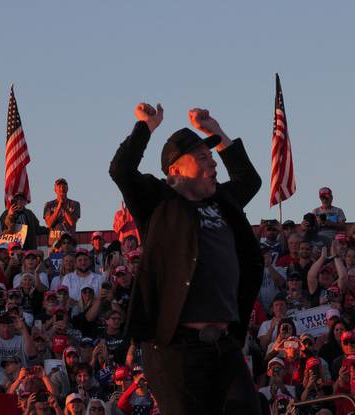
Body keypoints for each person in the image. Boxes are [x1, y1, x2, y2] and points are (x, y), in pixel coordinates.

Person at [110, 102, 262, 414]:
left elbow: (249, 179)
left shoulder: (221, 200)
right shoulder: (159, 202)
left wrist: (215, 132)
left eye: (212, 157)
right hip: (175, 347)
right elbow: (122, 171)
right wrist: (146, 127)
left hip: (223, 343)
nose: (213, 164)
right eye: (203, 158)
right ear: (176, 170)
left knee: (248, 407)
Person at [44, 178, 81, 249]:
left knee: (69, 259)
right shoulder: (48, 204)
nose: (62, 188)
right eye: (59, 186)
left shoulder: (75, 204)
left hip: (69, 243)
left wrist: (64, 207)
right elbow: (49, 224)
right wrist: (58, 207)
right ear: (55, 189)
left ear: (67, 189)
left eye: (64, 186)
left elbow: (72, 223)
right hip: (53, 243)